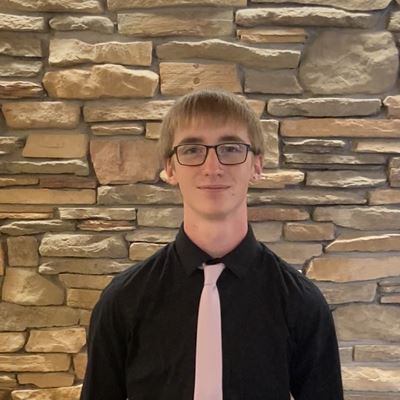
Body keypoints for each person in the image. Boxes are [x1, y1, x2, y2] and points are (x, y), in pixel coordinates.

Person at [80, 89, 344, 400]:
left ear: (257, 165)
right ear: (170, 168)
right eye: (192, 150)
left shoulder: (302, 303)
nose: (212, 167)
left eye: (230, 148)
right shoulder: (123, 300)